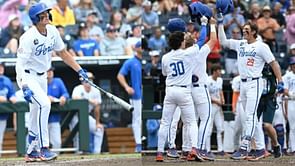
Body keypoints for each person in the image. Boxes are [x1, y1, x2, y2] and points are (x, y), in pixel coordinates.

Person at [15, 2, 89, 162]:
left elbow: (63, 53)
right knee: (45, 104)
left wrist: (79, 69)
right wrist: (24, 85)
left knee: (35, 113)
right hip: (28, 77)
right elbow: (19, 65)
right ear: (36, 18)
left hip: (42, 77)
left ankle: (31, 151)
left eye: (47, 12)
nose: (47, 15)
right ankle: (44, 148)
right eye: (43, 14)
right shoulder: (27, 37)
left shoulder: (52, 31)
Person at [217, 13, 284, 160]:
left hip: (256, 82)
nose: (244, 31)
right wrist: (221, 23)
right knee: (253, 118)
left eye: (247, 29)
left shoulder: (261, 46)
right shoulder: (240, 43)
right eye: (244, 29)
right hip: (243, 83)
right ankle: (260, 149)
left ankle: (244, 147)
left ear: (254, 31)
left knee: (250, 116)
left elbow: (274, 63)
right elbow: (222, 41)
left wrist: (280, 81)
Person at [155, 17, 217, 162]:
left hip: (170, 91)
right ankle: (194, 149)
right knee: (191, 123)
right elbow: (202, 40)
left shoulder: (165, 57)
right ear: (181, 42)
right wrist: (203, 24)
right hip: (184, 91)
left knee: (165, 122)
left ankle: (159, 152)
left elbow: (164, 73)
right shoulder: (189, 53)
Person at [117, 41, 142, 153]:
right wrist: (127, 87)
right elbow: (120, 75)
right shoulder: (131, 62)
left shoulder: (147, 61)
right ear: (136, 48)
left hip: (147, 94)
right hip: (136, 95)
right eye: (140, 46)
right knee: (137, 119)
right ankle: (138, 143)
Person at [70, 72, 104, 154]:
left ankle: (97, 153)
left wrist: (97, 122)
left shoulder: (96, 91)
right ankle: (78, 153)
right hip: (75, 116)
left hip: (86, 116)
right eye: (87, 79)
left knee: (99, 129)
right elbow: (75, 98)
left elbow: (97, 108)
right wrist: (89, 101)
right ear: (82, 80)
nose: (89, 81)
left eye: (91, 79)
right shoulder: (78, 88)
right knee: (77, 135)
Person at [256, 64, 282, 158]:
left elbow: (277, 70)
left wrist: (280, 83)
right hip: (257, 98)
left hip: (269, 98)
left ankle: (276, 145)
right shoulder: (255, 66)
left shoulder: (272, 66)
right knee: (253, 123)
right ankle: (255, 149)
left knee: (267, 125)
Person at [47, 67, 69, 151]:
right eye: (48, 71)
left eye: (51, 70)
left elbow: (66, 93)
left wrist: (64, 97)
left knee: (57, 143)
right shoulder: (40, 82)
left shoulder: (58, 81)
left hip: (54, 118)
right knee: (40, 144)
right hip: (41, 119)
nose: (50, 72)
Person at [206, 64, 225, 156]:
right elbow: (206, 95)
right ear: (214, 71)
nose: (220, 72)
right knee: (209, 129)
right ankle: (207, 149)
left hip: (218, 107)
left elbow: (220, 91)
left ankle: (220, 149)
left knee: (220, 128)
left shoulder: (220, 80)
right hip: (211, 106)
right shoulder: (208, 80)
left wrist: (222, 99)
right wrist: (217, 101)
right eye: (218, 71)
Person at [0, 62, 17, 157]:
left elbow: (11, 94)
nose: (1, 68)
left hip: (2, 116)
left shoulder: (6, 80)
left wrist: (12, 97)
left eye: (2, 66)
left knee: (0, 140)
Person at [282, 57, 295, 155]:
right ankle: (293, 148)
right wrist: (291, 94)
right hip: (291, 101)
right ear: (291, 66)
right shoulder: (287, 76)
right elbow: (284, 90)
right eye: (293, 65)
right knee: (292, 127)